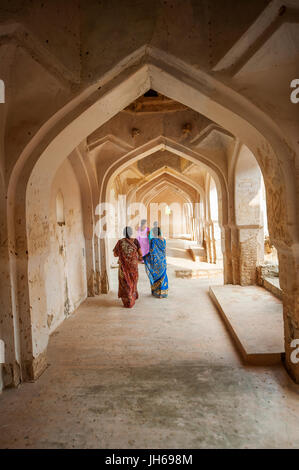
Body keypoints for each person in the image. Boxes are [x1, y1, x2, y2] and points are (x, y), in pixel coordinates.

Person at [113, 226, 143, 308]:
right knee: (132, 283)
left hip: (123, 267)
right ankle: (132, 297)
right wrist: (135, 258)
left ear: (123, 233)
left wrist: (123, 254)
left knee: (125, 283)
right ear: (131, 233)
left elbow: (115, 254)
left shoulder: (120, 242)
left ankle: (127, 301)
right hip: (133, 268)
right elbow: (141, 255)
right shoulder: (136, 241)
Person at [143, 226, 168, 298]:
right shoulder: (164, 240)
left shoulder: (153, 240)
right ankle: (163, 293)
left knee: (157, 277)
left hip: (156, 262)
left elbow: (151, 252)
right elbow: (164, 251)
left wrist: (144, 258)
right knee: (163, 276)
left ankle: (157, 292)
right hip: (163, 261)